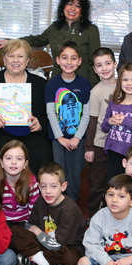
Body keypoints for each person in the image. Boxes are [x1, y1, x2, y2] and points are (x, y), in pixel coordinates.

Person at [0, 39, 52, 175]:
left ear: (27, 61)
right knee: (2, 151)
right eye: (11, 56)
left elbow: (49, 113)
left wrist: (40, 123)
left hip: (32, 134)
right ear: (4, 59)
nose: (15, 60)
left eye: (20, 56)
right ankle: (2, 193)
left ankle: (34, 193)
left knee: (42, 152)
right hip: (0, 132)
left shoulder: (40, 84)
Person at [0, 0, 101, 86]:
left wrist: (90, 87)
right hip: (58, 81)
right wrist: (11, 41)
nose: (72, 8)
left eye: (77, 6)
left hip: (82, 82)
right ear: (63, 7)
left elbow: (96, 61)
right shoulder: (55, 28)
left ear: (82, 11)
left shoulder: (91, 30)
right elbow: (37, 40)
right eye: (70, 4)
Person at [10, 161, 86, 265]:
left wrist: (38, 232)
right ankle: (45, 264)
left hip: (66, 247)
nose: (48, 191)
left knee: (70, 258)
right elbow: (30, 226)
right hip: (45, 243)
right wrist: (36, 232)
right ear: (39, 186)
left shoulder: (69, 210)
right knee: (14, 232)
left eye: (53, 186)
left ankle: (33, 257)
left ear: (63, 186)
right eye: (43, 187)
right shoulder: (40, 201)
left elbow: (56, 244)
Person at [45, 41, 91, 201]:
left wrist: (77, 137)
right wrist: (60, 137)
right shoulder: (52, 84)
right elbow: (51, 112)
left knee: (75, 174)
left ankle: (72, 206)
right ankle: (58, 204)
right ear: (57, 60)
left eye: (73, 58)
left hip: (77, 139)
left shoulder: (84, 84)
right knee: (59, 173)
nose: (68, 62)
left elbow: (86, 114)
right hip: (58, 139)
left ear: (79, 61)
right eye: (64, 58)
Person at [101, 62, 132, 182]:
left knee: (127, 189)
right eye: (125, 80)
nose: (129, 83)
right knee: (112, 185)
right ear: (120, 82)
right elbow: (104, 127)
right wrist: (110, 121)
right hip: (113, 152)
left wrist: (127, 122)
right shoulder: (114, 102)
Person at [84, 47, 117, 219]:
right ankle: (93, 216)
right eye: (99, 65)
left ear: (115, 64)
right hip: (98, 145)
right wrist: (89, 147)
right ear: (94, 69)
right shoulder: (95, 92)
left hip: (119, 145)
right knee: (97, 185)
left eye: (107, 63)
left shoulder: (124, 85)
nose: (104, 68)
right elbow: (92, 120)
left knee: (115, 184)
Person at [0, 140, 39, 226]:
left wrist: (30, 226)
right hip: (1, 222)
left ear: (25, 164)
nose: (13, 162)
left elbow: (33, 209)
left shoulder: (31, 181)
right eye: (8, 158)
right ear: (1, 162)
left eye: (19, 158)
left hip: (24, 222)